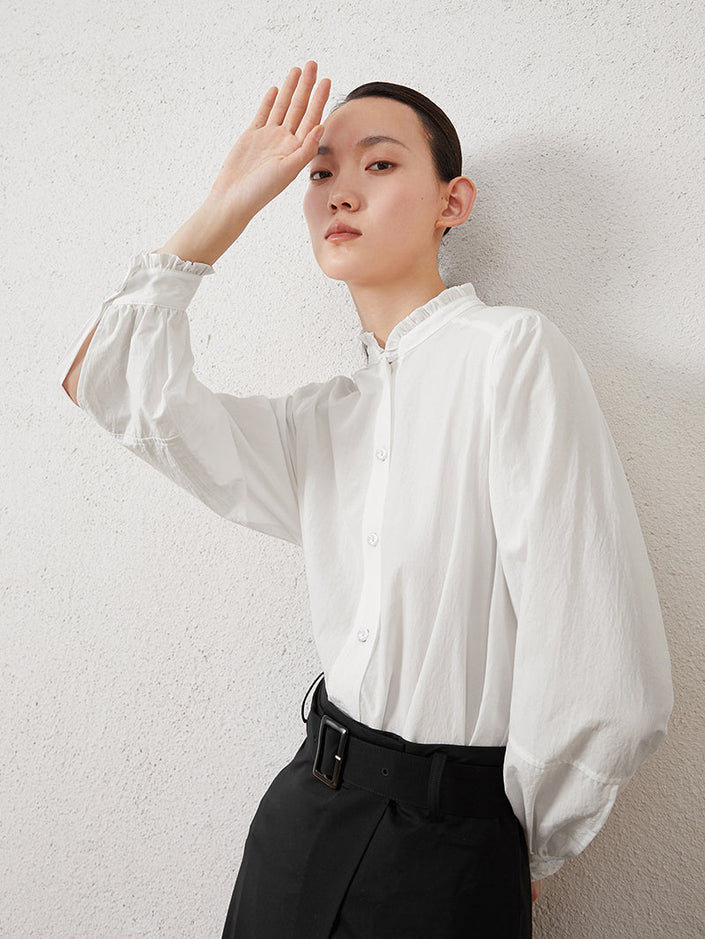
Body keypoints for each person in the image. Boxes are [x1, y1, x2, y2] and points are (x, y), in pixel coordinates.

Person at [58, 61, 674, 937]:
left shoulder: (511, 353)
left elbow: (597, 644)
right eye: (319, 173)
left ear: (450, 203)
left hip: (450, 843)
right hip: (301, 815)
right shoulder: (327, 419)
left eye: (379, 165)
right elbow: (108, 386)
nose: (340, 190)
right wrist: (229, 199)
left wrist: (527, 846)